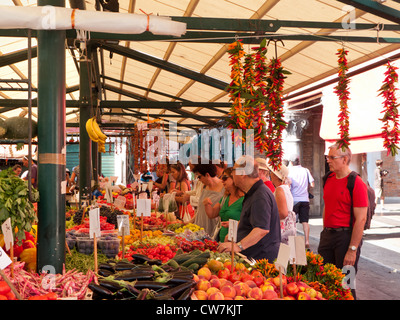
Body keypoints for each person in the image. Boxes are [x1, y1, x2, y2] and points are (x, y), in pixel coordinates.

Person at [318, 143, 368, 299]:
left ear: (345, 159)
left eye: (332, 157)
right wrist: (325, 230)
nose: (328, 160)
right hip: (327, 236)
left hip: (346, 238)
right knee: (324, 281)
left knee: (346, 285)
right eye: (328, 157)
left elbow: (361, 219)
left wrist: (352, 250)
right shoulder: (328, 179)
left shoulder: (356, 183)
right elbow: (328, 205)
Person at [218, 155, 281, 262]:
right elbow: (253, 220)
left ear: (242, 173)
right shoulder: (253, 193)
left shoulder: (260, 195)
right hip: (253, 256)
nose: (232, 174)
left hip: (260, 260)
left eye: (233, 170)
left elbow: (261, 229)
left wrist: (239, 246)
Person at [203, 167, 244, 242]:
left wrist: (233, 224)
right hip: (222, 240)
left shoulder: (244, 199)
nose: (222, 181)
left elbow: (248, 222)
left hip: (236, 242)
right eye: (222, 178)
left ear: (234, 178)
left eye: (225, 178)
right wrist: (207, 204)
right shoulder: (225, 198)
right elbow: (212, 214)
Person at [288, 156, 314, 249]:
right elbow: (312, 184)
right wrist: (304, 188)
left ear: (291, 162)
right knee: (305, 222)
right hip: (305, 199)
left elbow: (288, 185)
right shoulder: (306, 170)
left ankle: (293, 240)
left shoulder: (290, 171)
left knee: (292, 221)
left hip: (294, 199)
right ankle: (306, 240)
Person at [191, 162, 224, 236]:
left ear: (207, 175)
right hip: (199, 229)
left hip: (213, 230)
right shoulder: (205, 187)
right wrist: (191, 221)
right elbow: (200, 209)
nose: (199, 180)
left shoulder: (224, 188)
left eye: (199, 177)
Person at [268, 163, 296, 245]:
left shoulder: (280, 189)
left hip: (282, 228)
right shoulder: (285, 188)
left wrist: (270, 215)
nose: (270, 175)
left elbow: (283, 213)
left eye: (272, 173)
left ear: (276, 176)